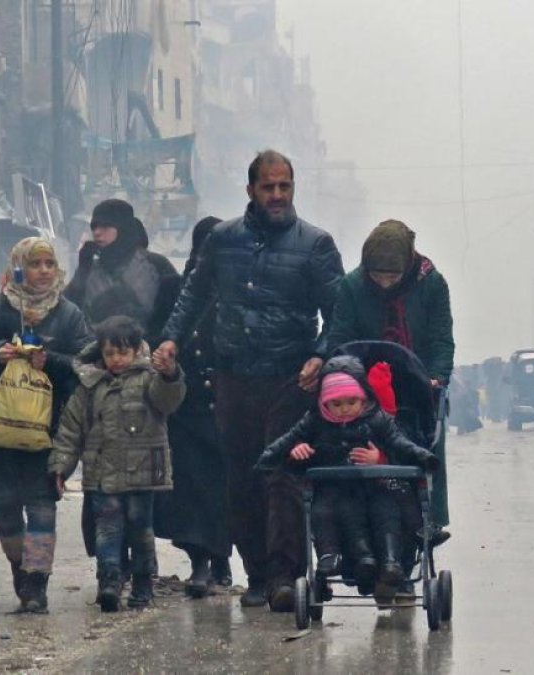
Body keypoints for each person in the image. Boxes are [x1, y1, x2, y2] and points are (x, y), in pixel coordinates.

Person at [156, 149, 345, 612]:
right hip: (233, 377)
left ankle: (285, 576)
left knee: (281, 475)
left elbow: (339, 315)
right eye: (269, 187)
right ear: (251, 190)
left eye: (284, 186)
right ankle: (257, 574)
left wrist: (320, 356)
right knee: (240, 478)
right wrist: (170, 341)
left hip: (290, 379)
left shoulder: (315, 245)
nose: (277, 195)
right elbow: (193, 295)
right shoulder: (222, 240)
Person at [0, 238, 92, 613]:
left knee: (41, 509)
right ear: (19, 267)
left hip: (46, 430)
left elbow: (85, 364)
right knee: (3, 509)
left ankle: (36, 583)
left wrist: (49, 360)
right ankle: (20, 567)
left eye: (49, 264)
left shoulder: (69, 315)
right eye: (35, 264)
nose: (43, 271)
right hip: (0, 431)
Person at [255, 357, 439, 606]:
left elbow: (399, 444)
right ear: (325, 403)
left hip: (376, 487)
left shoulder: (378, 420)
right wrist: (288, 455)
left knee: (385, 512)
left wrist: (403, 459)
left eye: (351, 402)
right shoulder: (315, 422)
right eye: (336, 404)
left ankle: (391, 562)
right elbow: (289, 440)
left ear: (363, 399)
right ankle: (331, 556)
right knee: (324, 511)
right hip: (334, 488)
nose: (344, 409)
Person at [325, 219, 454, 535]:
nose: (384, 283)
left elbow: (440, 337)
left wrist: (437, 376)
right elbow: (339, 333)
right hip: (363, 383)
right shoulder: (352, 286)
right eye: (377, 276)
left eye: (392, 277)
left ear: (408, 265)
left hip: (417, 386)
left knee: (424, 445)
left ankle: (428, 520)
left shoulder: (432, 284)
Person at [49, 316, 185, 612]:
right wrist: (60, 467)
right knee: (107, 530)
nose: (117, 360)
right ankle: (109, 581)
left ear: (137, 350)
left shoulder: (150, 378)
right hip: (102, 475)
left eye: (123, 352)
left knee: (141, 530)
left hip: (142, 474)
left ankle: (142, 583)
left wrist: (171, 375)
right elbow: (71, 429)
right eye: (110, 353)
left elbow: (168, 401)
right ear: (101, 353)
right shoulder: (89, 385)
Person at [153, 216, 232, 597]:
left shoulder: (237, 287)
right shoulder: (173, 288)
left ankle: (221, 558)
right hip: (186, 401)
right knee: (191, 485)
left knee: (223, 485)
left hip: (227, 400)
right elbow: (160, 332)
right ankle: (200, 562)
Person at [64, 198, 181, 338]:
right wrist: (82, 271)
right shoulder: (89, 269)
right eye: (94, 227)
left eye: (105, 226)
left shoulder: (155, 265)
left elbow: (176, 314)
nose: (97, 232)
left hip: (148, 353)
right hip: (99, 353)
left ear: (122, 227)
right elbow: (68, 314)